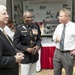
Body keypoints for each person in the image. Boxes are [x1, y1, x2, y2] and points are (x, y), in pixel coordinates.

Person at [13, 11, 41, 75]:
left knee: (33, 73)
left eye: (31, 17)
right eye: (28, 17)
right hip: (25, 56)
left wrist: (37, 46)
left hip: (34, 56)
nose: (30, 19)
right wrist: (26, 49)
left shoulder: (35, 27)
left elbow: (39, 39)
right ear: (23, 18)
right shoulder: (19, 29)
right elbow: (15, 43)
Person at [0, 5, 24, 75]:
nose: (7, 16)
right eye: (4, 14)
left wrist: (14, 55)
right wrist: (15, 59)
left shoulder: (3, 32)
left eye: (7, 14)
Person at [53, 8, 75, 75]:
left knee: (68, 72)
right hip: (57, 52)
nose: (58, 17)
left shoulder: (74, 26)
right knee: (56, 72)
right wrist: (55, 39)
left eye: (60, 16)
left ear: (67, 17)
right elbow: (54, 36)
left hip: (68, 54)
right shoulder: (59, 26)